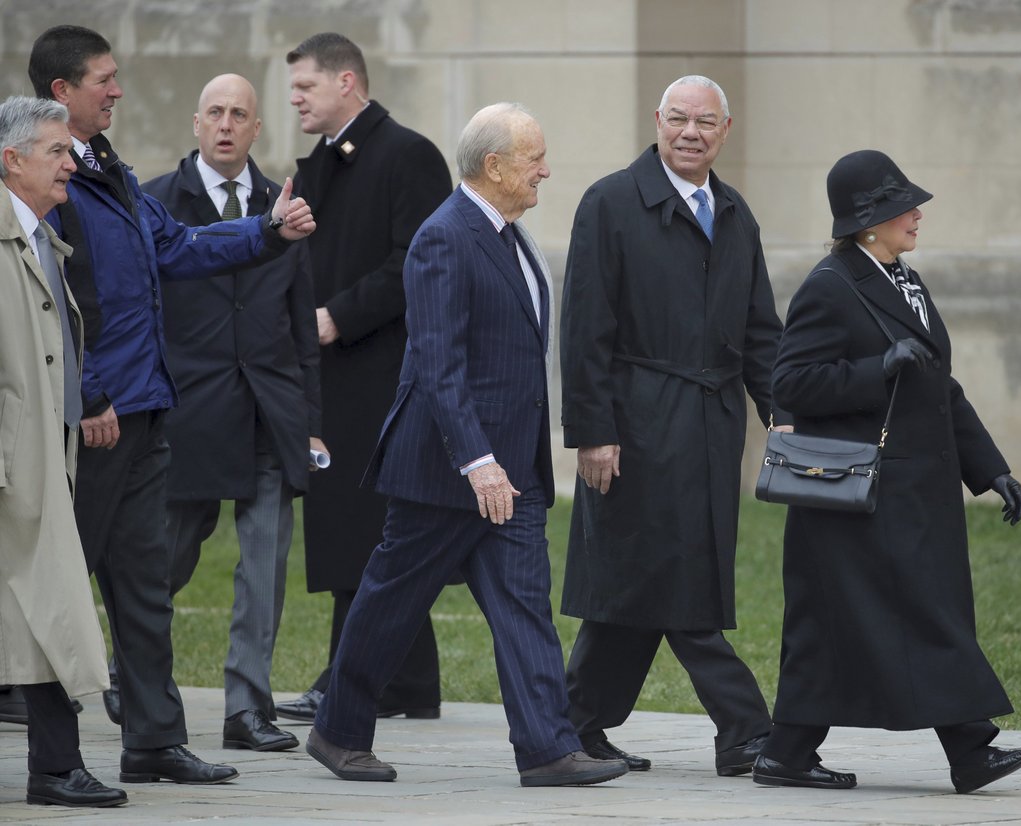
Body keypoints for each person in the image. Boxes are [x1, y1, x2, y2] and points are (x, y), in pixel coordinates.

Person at [305, 103, 626, 789]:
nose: (546, 168)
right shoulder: (444, 237)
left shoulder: (512, 236)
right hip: (445, 471)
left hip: (513, 472)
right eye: (535, 157)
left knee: (523, 608)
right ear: (495, 166)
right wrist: (477, 462)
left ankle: (547, 749)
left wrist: (507, 464)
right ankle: (337, 731)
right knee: (390, 603)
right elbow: (438, 364)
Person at [28, 24, 315, 785]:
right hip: (96, 422)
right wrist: (88, 395)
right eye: (105, 79)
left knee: (145, 589)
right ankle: (53, 764)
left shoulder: (107, 172)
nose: (118, 89)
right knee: (64, 593)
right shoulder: (48, 184)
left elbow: (179, 248)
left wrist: (268, 232)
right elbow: (55, 306)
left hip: (147, 412)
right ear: (63, 92)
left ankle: (153, 742)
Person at [754, 148, 1021, 793]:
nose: (916, 215)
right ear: (866, 222)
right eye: (901, 207)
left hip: (912, 494)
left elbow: (941, 387)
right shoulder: (831, 284)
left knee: (835, 627)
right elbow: (790, 383)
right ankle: (968, 748)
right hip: (864, 498)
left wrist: (991, 468)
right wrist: (874, 369)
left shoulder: (903, 279)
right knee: (922, 616)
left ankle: (787, 752)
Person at [558, 75, 789, 775]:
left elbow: (759, 330)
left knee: (637, 586)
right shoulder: (610, 203)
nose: (691, 132)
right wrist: (593, 430)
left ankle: (572, 725)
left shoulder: (734, 212)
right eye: (679, 119)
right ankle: (745, 728)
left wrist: (778, 409)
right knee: (673, 576)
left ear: (726, 130)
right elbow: (584, 330)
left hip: (712, 427)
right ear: (657, 120)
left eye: (706, 122)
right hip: (637, 424)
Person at [141, 73, 324, 753]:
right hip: (187, 410)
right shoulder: (158, 201)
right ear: (196, 123)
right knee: (165, 557)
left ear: (255, 130)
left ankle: (247, 709)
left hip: (270, 410)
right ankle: (131, 670)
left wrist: (310, 417)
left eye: (238, 114)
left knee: (264, 566)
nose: (225, 123)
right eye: (214, 112)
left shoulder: (288, 205)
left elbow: (301, 321)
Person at [275, 31, 450, 724]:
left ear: (347, 82)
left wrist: (336, 318)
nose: (295, 99)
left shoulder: (409, 155)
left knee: (367, 528)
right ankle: (405, 683)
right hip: (332, 377)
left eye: (305, 87)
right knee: (360, 530)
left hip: (382, 374)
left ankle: (354, 674)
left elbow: (419, 259)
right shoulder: (323, 161)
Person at [0, 94, 125, 808]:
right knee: (43, 608)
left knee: (44, 609)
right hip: (15, 467)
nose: (70, 162)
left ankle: (55, 764)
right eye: (55, 150)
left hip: (43, 462)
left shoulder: (45, 233)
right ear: (12, 161)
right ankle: (55, 765)